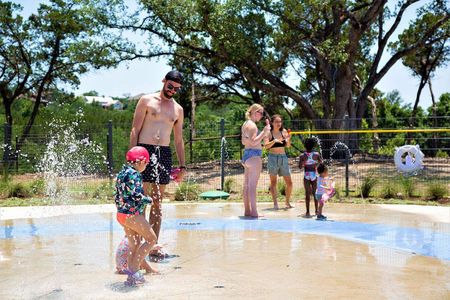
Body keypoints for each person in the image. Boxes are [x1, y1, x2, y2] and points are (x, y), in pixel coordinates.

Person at [129, 70, 186, 257]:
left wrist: (183, 166)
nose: (172, 90)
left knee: (158, 202)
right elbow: (135, 129)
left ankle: (153, 245)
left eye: (176, 89)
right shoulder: (146, 100)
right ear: (164, 81)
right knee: (141, 200)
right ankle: (138, 244)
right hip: (144, 151)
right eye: (170, 86)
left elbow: (178, 140)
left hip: (164, 153)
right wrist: (132, 157)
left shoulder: (178, 109)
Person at [114, 146, 159, 286]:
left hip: (121, 214)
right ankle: (133, 271)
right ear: (140, 162)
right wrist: (148, 200)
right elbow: (133, 195)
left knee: (135, 244)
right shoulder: (134, 174)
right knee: (151, 239)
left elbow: (120, 195)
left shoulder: (122, 173)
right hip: (131, 214)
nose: (146, 166)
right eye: (146, 163)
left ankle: (132, 277)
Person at [241, 104, 271, 218]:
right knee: (252, 186)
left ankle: (247, 211)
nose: (262, 116)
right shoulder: (252, 126)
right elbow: (254, 142)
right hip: (254, 156)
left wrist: (261, 137)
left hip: (247, 155)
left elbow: (244, 142)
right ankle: (254, 212)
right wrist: (264, 132)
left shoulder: (245, 124)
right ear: (254, 112)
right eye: (261, 113)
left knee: (247, 185)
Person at [263, 114, 293, 209]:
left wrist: (288, 139)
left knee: (289, 183)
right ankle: (275, 204)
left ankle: (287, 202)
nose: (279, 123)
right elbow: (266, 146)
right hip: (272, 157)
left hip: (283, 157)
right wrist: (274, 141)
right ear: (272, 123)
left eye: (280, 121)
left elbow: (288, 146)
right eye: (276, 122)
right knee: (273, 183)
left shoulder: (284, 132)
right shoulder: (269, 133)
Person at [298, 138, 322, 218]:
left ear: (304, 146)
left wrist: (303, 162)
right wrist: (316, 165)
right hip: (314, 175)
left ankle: (308, 212)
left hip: (306, 175)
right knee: (315, 193)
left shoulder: (302, 156)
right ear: (313, 146)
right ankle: (316, 210)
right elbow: (321, 164)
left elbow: (300, 167)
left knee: (307, 194)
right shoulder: (316, 154)